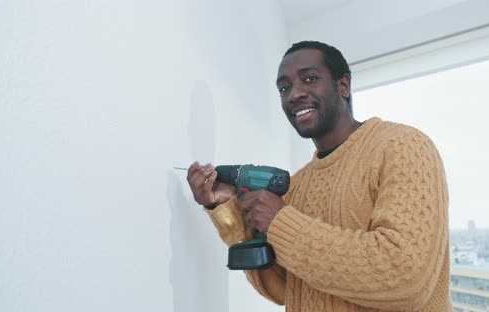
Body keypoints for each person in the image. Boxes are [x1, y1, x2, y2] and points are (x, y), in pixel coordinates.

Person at [187, 41, 452, 311]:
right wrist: (228, 207)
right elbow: (285, 290)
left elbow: (404, 278)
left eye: (310, 79)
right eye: (284, 88)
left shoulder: (403, 146)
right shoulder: (297, 184)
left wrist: (281, 222)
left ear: (343, 85)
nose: (294, 94)